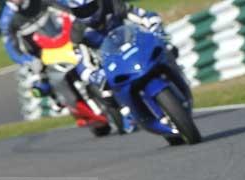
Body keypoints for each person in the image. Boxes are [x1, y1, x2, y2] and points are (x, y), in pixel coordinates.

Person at [61, 0, 171, 132]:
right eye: (81, 11)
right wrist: (93, 75)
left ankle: (175, 77)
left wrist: (155, 27)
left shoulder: (113, 6)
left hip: (133, 46)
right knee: (106, 92)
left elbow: (142, 15)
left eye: (90, 8)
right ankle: (126, 112)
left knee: (168, 49)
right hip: (108, 62)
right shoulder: (77, 30)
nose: (87, 14)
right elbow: (80, 60)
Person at [0, 0, 64, 98]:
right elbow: (10, 48)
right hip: (39, 55)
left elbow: (65, 6)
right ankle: (55, 101)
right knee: (40, 86)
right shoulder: (6, 20)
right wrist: (28, 60)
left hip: (62, 40)